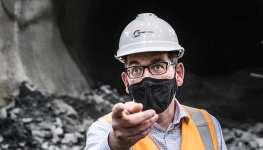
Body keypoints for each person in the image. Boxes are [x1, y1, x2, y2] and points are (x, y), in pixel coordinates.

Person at [84, 13, 227, 150]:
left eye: (157, 66)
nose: (146, 77)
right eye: (136, 69)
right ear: (126, 81)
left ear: (178, 73)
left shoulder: (207, 125)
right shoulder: (106, 130)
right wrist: (116, 143)